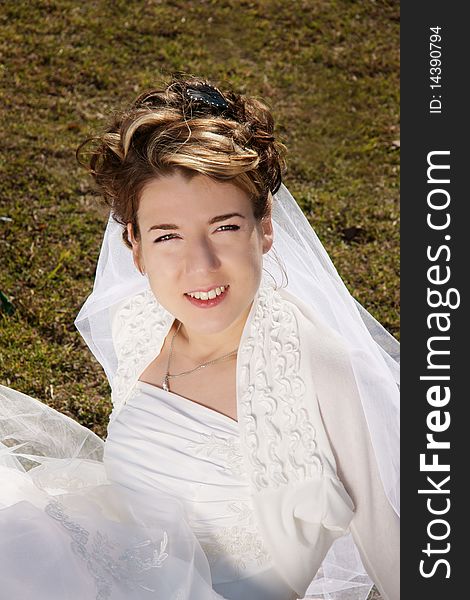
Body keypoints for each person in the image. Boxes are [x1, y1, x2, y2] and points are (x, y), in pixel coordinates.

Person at [0, 75, 399, 600]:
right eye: (168, 236)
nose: (201, 266)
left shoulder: (318, 363)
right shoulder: (140, 324)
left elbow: (395, 545)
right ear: (135, 247)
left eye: (225, 227)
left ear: (265, 228)